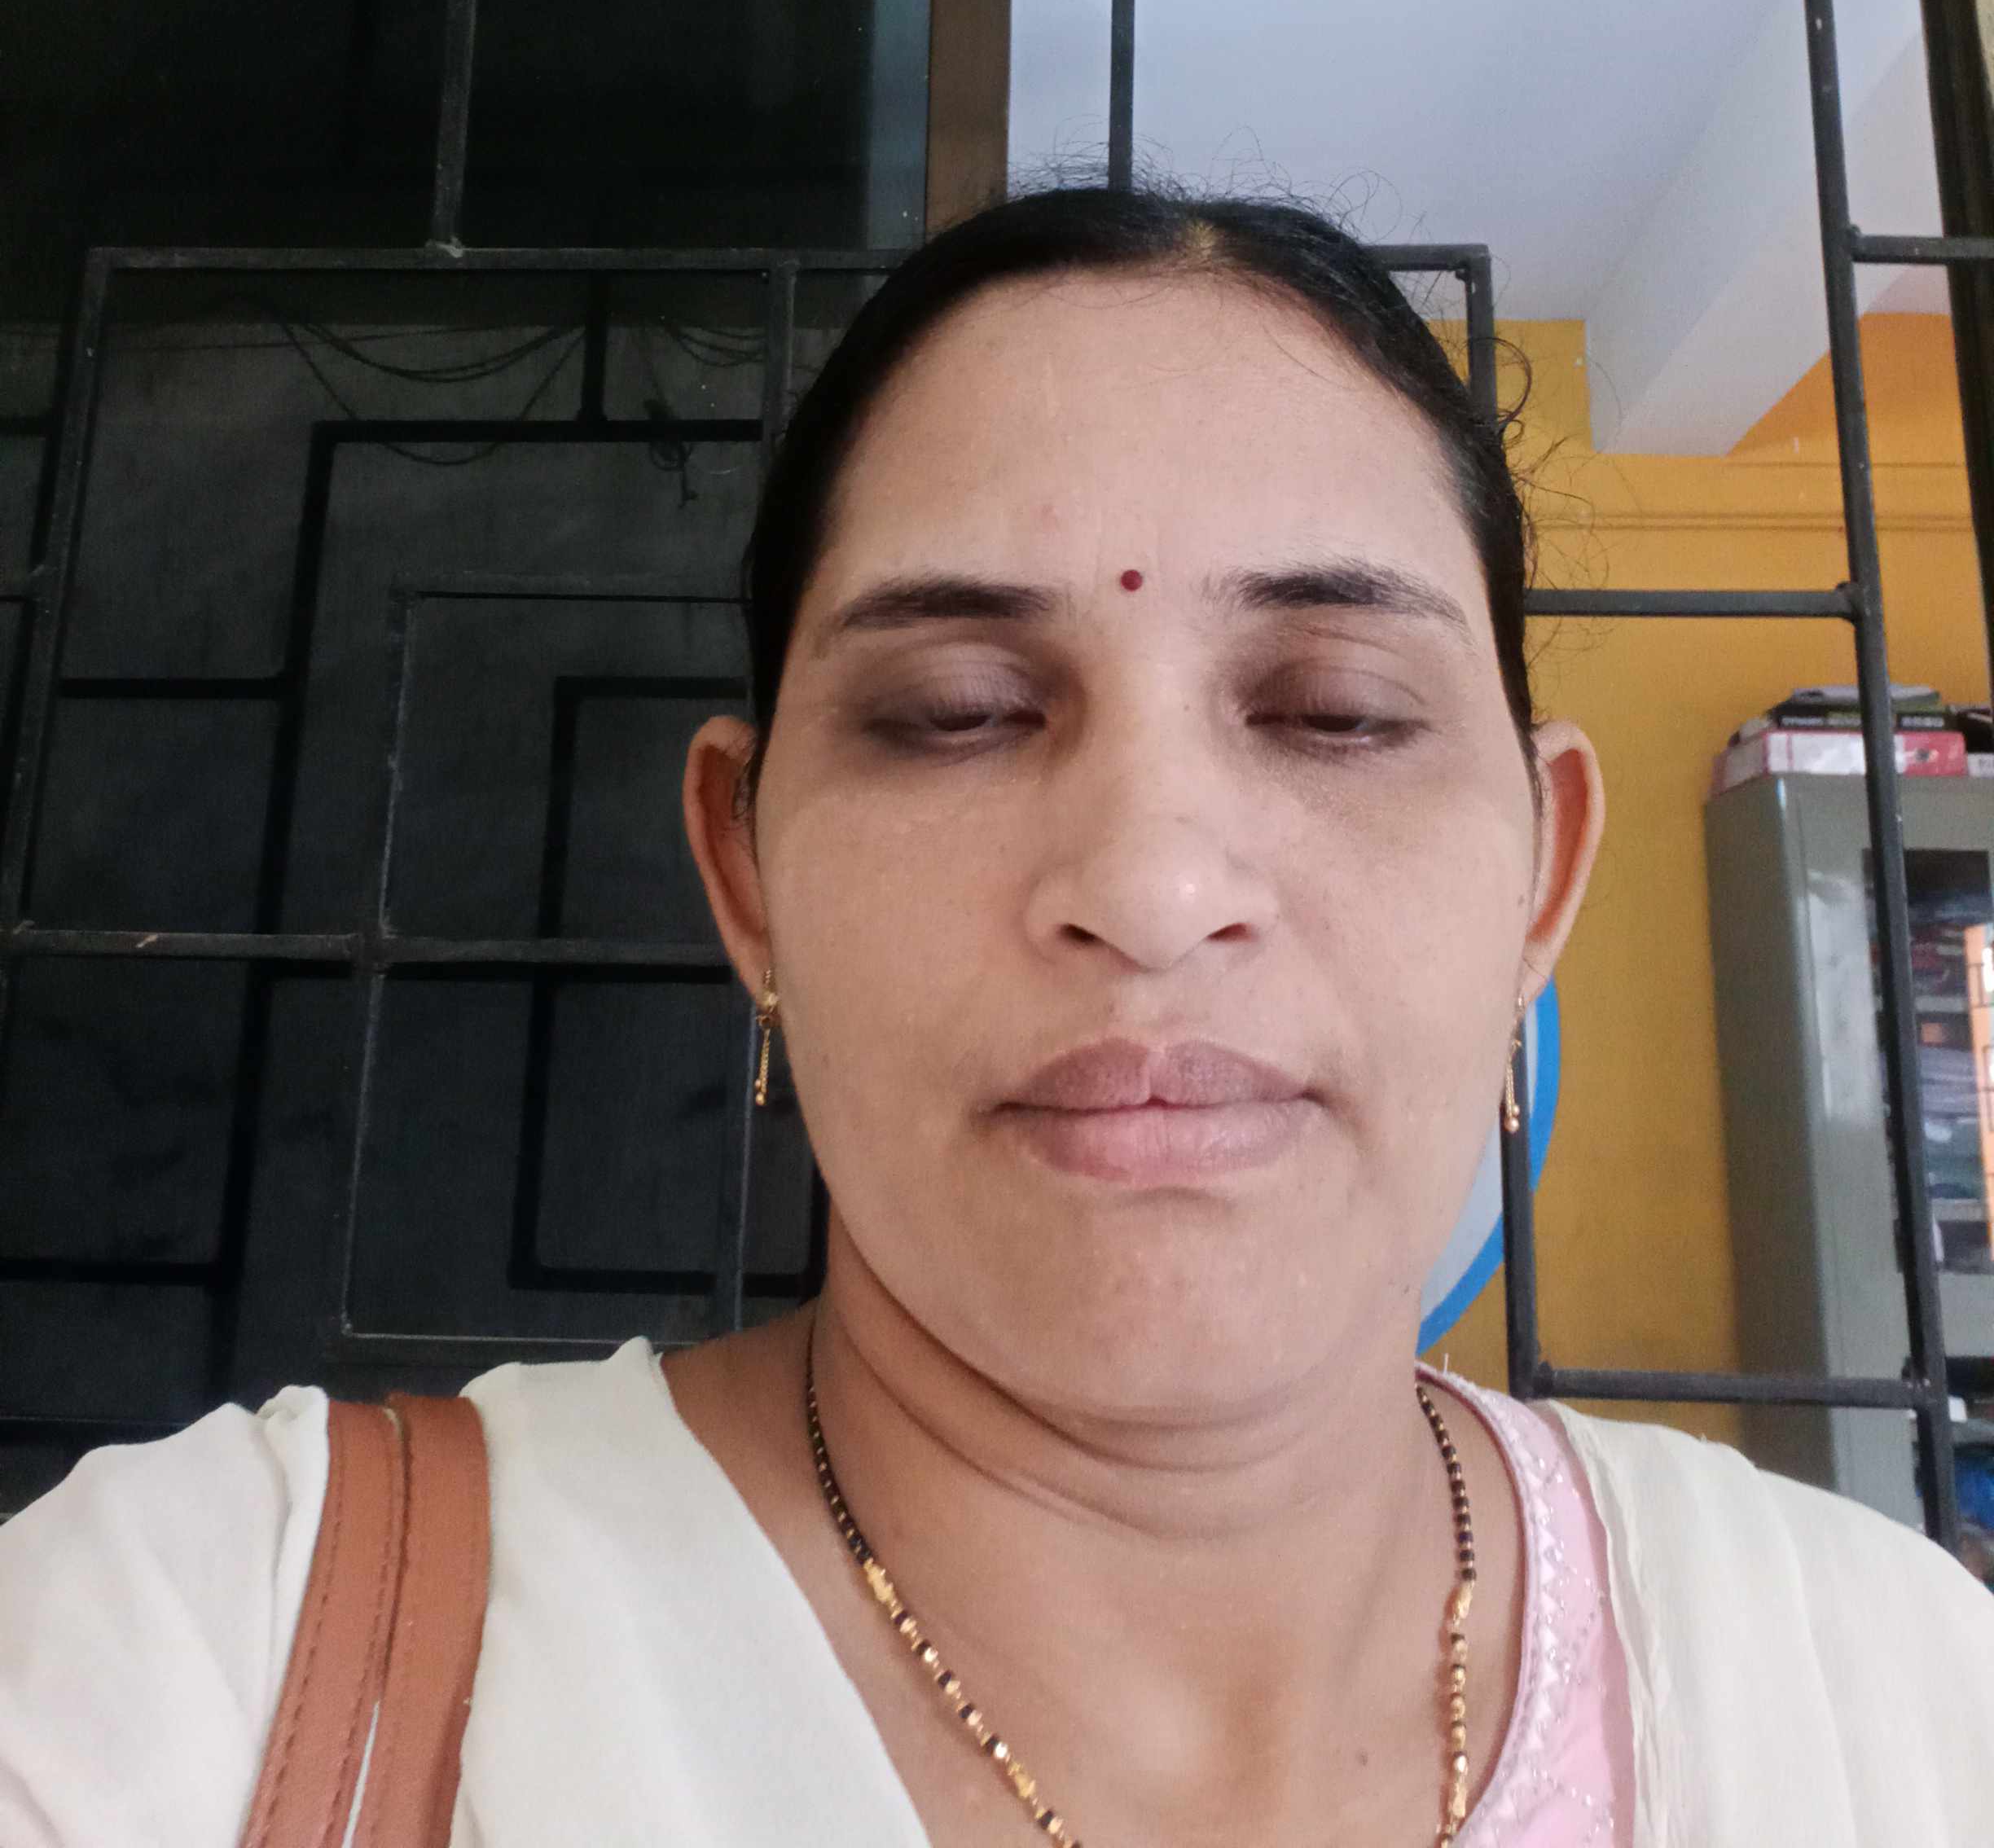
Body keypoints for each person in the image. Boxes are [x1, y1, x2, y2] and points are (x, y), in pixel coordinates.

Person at [1, 184, 1988, 1847]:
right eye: (956, 714)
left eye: (1334, 713)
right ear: (748, 877)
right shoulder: (196, 1661)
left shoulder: (1900, 1701)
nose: (1152, 884)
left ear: (1543, 879)